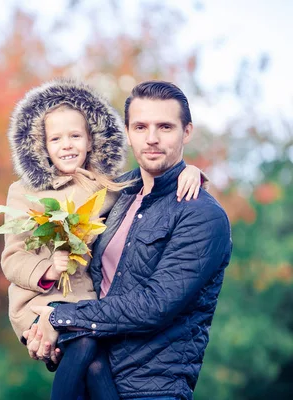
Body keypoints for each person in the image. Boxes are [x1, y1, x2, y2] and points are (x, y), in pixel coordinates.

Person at [26, 80, 232, 400]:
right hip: (89, 373)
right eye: (140, 126)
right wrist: (42, 330)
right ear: (127, 131)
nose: (151, 138)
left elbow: (154, 306)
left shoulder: (202, 216)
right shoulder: (115, 193)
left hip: (150, 388)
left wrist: (61, 317)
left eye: (165, 126)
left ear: (186, 132)